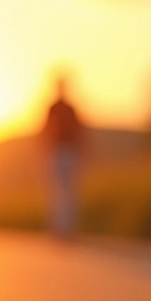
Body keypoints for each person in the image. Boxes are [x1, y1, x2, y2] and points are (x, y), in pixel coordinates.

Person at [41, 75, 86, 239]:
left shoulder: (69, 108)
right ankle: (59, 228)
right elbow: (47, 129)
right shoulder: (54, 107)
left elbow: (78, 129)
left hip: (68, 151)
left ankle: (67, 229)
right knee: (58, 191)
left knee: (69, 191)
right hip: (57, 151)